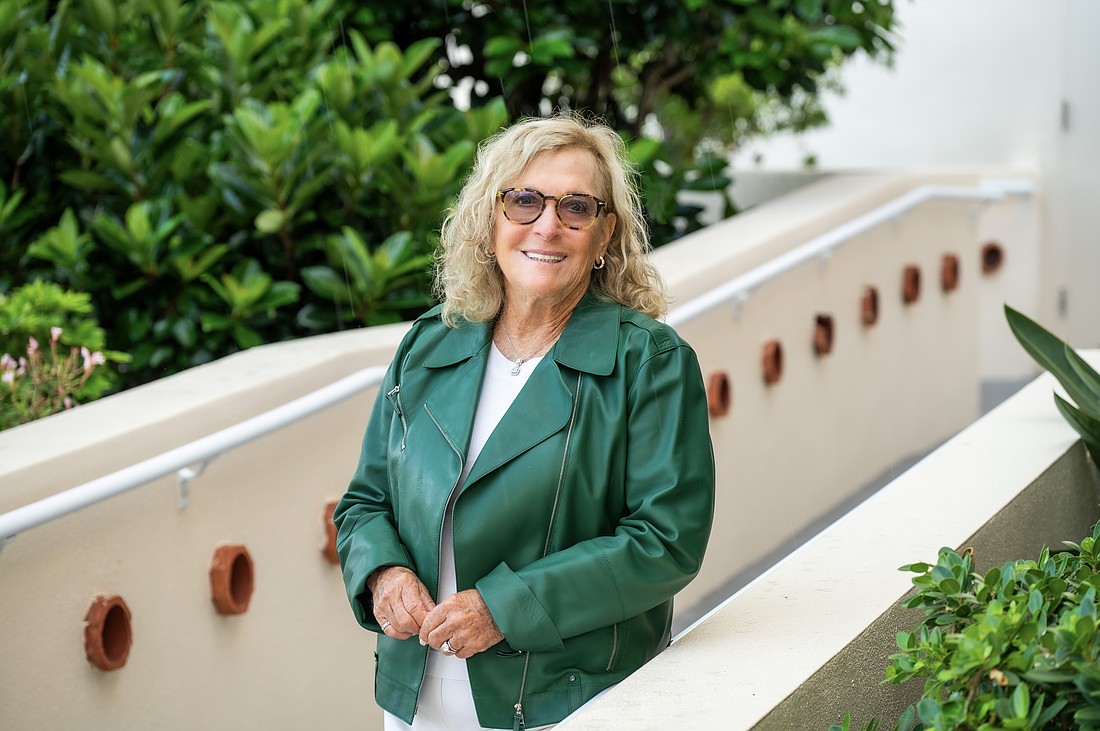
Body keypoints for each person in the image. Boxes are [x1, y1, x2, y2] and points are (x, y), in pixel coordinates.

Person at [333, 114, 715, 731]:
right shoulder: (429, 345)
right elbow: (364, 502)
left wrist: (503, 608)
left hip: (565, 705)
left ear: (604, 236)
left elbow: (665, 542)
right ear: (490, 220)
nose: (547, 225)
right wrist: (383, 573)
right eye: (524, 200)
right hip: (414, 703)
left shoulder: (651, 361)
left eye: (576, 208)